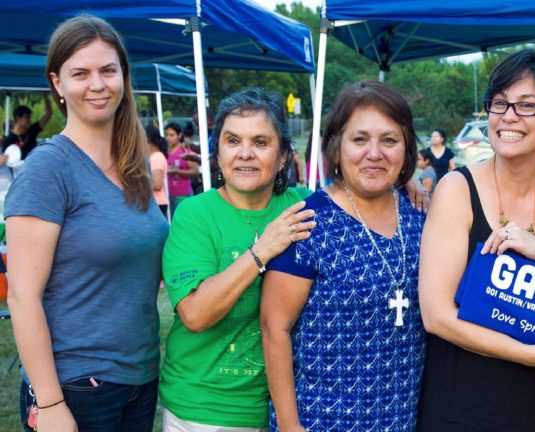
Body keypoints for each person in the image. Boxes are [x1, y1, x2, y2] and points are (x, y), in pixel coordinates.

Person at [417, 49, 535, 431]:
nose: (508, 116)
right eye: (499, 103)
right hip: (461, 406)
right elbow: (436, 315)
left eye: (526, 105)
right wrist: (530, 354)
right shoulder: (456, 189)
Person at [5, 15, 168, 432]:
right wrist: (51, 401)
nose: (97, 84)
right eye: (81, 73)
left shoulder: (134, 168)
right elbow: (23, 297)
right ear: (58, 83)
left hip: (139, 378)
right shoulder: (48, 169)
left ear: (123, 77)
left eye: (108, 70)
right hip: (76, 386)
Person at [261, 80, 426, 431]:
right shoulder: (307, 224)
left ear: (407, 148)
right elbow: (274, 327)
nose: (375, 153)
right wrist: (290, 426)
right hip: (321, 419)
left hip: (400, 418)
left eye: (390, 140)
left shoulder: (421, 215)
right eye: (360, 139)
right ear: (335, 148)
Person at [159, 87, 316, 431]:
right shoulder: (196, 215)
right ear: (216, 154)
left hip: (284, 406)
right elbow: (195, 314)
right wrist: (262, 250)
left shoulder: (304, 207)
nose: (245, 154)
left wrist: (408, 187)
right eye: (232, 141)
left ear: (284, 156)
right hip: (206, 409)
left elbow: (359, 202)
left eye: (260, 143)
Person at [2, 94, 53, 160]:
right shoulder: (8, 140)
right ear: (18, 119)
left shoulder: (32, 130)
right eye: (27, 118)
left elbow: (48, 113)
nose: (30, 120)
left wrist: (45, 95)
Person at [166, 122, 198, 215]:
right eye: (167, 135)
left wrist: (177, 171)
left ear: (179, 135)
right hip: (170, 194)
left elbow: (195, 171)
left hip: (182, 194)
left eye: (172, 135)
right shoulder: (167, 151)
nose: (168, 138)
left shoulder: (185, 151)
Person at [146, 125, 169, 216]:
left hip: (157, 203)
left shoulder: (156, 157)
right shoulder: (154, 156)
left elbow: (157, 184)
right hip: (155, 203)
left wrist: (137, 184)